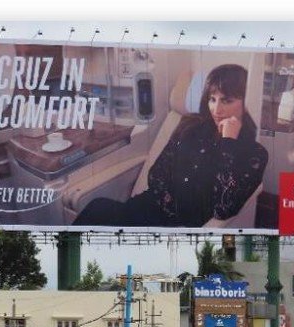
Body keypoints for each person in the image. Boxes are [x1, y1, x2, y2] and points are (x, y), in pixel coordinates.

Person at [71, 64, 269, 228]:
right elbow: (156, 174)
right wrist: (176, 203)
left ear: (246, 103)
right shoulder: (189, 127)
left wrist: (228, 144)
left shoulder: (255, 154)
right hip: (148, 209)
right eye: (212, 99)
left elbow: (224, 207)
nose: (216, 109)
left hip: (176, 227)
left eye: (227, 100)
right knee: (97, 208)